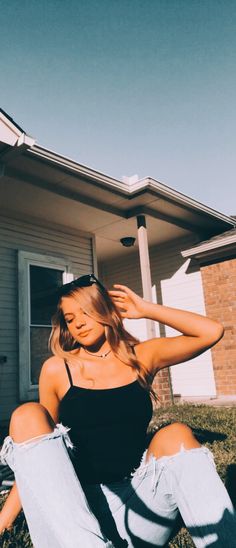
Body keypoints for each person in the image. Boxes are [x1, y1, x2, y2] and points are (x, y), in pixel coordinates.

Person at [0, 273, 235, 547]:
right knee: (27, 414)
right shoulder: (57, 369)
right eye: (69, 318)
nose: (77, 323)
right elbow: (37, 453)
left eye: (84, 311)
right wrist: (4, 519)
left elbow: (211, 331)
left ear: (104, 309)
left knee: (177, 434)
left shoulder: (141, 357)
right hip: (76, 510)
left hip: (140, 503)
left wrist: (145, 309)